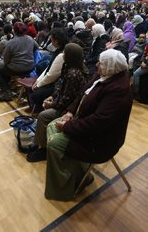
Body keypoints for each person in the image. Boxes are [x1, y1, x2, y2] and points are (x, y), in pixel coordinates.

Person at [44, 49, 133, 201]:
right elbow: (81, 93)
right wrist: (70, 112)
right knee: (52, 125)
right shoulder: (103, 75)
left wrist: (67, 127)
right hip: (85, 126)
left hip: (99, 142)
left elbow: (98, 122)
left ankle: (64, 189)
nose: (97, 64)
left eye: (101, 63)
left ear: (111, 67)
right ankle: (76, 172)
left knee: (54, 143)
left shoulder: (119, 90)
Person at [26, 43, 88, 163]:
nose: (62, 55)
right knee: (44, 104)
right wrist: (52, 96)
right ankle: (39, 141)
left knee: (43, 116)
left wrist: (52, 104)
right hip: (64, 101)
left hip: (69, 109)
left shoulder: (73, 74)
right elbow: (61, 87)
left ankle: (43, 149)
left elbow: (67, 99)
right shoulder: (71, 67)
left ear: (70, 56)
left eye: (65, 53)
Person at [0, 22, 39, 101]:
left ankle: (6, 92)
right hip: (30, 67)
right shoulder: (30, 38)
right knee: (6, 70)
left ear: (14, 31)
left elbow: (6, 60)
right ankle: (6, 90)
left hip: (16, 69)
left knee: (0, 72)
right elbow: (37, 47)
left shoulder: (10, 43)